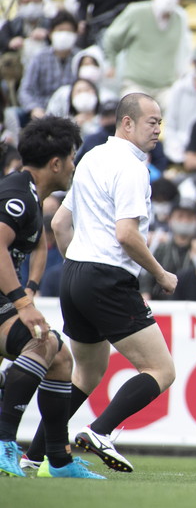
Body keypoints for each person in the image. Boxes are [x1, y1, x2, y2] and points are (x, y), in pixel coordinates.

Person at [49, 93, 178, 473]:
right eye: (152, 121)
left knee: (86, 373)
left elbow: (59, 223)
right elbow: (126, 235)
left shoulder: (91, 157)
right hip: (107, 277)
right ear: (127, 123)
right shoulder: (133, 167)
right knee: (161, 370)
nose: (158, 129)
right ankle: (100, 431)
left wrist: (79, 265)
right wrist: (160, 273)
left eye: (160, 122)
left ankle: (39, 454)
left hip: (75, 272)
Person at [0, 116, 104, 479]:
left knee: (60, 358)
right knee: (44, 343)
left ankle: (58, 460)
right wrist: (23, 303)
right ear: (56, 163)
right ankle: (4, 443)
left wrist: (28, 288)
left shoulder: (30, 195)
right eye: (72, 157)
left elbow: (37, 246)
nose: (75, 165)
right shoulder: (18, 196)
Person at [103, 0, 191, 109]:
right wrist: (112, 63)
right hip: (136, 85)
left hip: (166, 87)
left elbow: (185, 51)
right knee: (135, 109)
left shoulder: (180, 18)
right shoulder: (136, 12)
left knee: (178, 107)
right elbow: (111, 38)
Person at [18, 11, 79, 121]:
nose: (64, 35)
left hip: (72, 113)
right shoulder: (39, 57)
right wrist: (34, 108)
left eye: (69, 31)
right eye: (60, 30)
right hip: (42, 112)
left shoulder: (80, 57)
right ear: (50, 33)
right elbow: (25, 90)